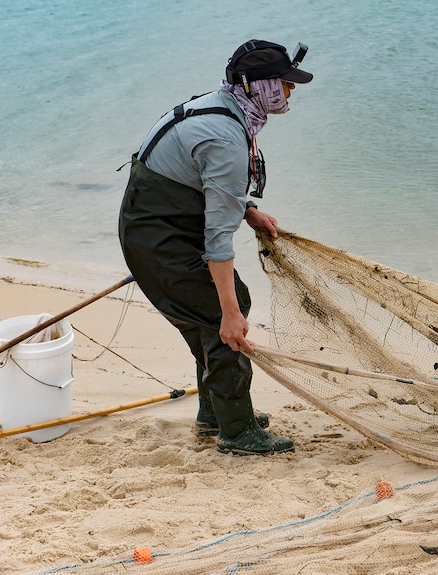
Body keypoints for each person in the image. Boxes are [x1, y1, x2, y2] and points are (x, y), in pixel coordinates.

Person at [118, 39, 313, 455]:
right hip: (159, 237)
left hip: (154, 225)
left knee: (209, 315)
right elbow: (217, 239)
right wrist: (231, 313)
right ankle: (238, 432)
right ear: (256, 86)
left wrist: (248, 209)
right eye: (284, 83)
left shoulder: (224, 105)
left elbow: (205, 181)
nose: (291, 91)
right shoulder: (226, 137)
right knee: (224, 315)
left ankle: (215, 415)